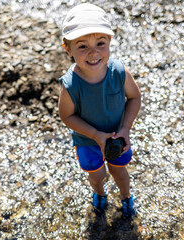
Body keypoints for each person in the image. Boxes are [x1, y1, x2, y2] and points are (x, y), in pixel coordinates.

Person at [58, 3, 141, 218]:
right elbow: (66, 115)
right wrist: (95, 135)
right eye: (82, 46)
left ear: (110, 41)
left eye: (100, 43)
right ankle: (100, 195)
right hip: (87, 141)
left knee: (119, 171)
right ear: (68, 48)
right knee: (97, 175)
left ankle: (126, 198)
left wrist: (125, 128)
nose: (94, 52)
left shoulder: (119, 72)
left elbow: (134, 97)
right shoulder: (70, 84)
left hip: (117, 137)